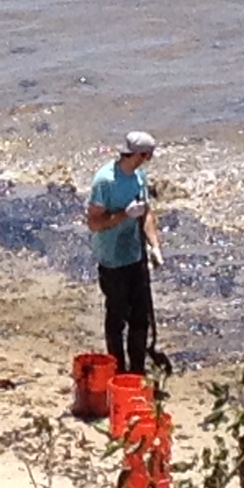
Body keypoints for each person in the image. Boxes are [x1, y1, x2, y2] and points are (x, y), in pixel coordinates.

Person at [86, 130, 163, 375]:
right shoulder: (105, 182)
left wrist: (154, 246)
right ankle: (117, 370)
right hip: (112, 259)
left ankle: (138, 370)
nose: (148, 160)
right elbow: (94, 223)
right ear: (136, 154)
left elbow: (147, 213)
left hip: (135, 255)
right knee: (117, 316)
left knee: (141, 318)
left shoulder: (139, 175)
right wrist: (123, 215)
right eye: (146, 156)